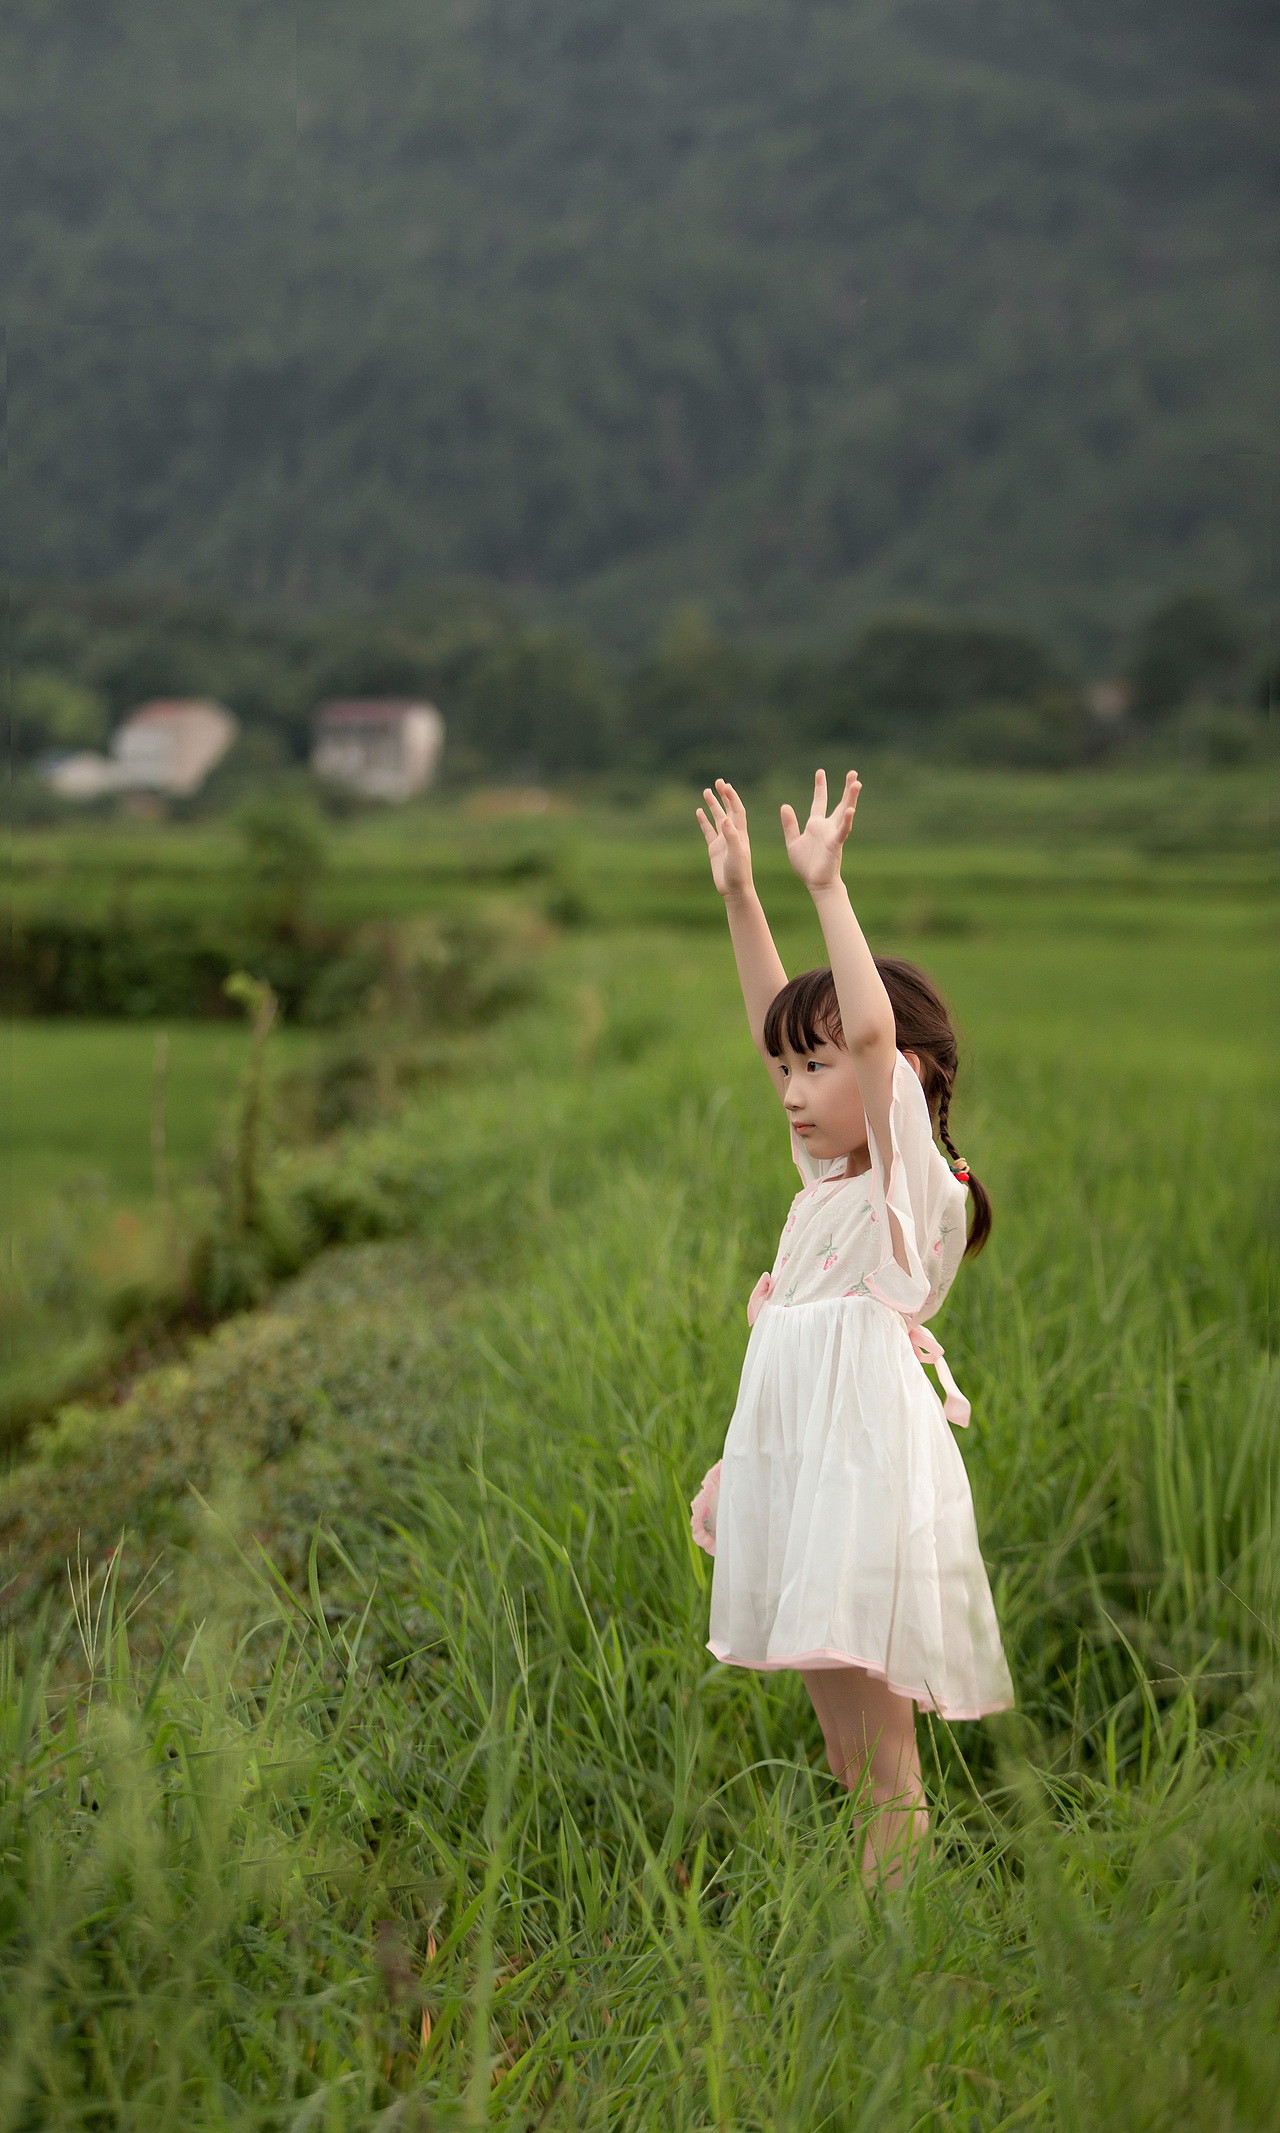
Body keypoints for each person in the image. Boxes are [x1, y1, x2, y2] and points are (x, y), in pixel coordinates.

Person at [691, 768, 1014, 1881]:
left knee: (882, 1764)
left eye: (812, 1068)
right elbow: (777, 1020)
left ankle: (897, 1932)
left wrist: (825, 888)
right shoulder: (828, 1173)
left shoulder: (905, 1186)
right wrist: (742, 898)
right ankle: (877, 1919)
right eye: (784, 1068)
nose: (789, 1088)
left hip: (858, 1475)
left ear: (896, 1076)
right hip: (801, 1466)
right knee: (845, 1750)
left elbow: (869, 1038)